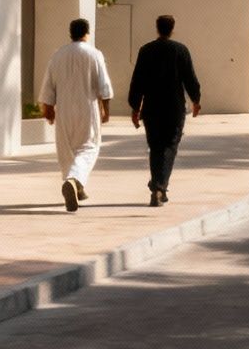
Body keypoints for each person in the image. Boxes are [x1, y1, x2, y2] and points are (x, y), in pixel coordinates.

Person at [127, 14, 201, 208]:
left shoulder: (146, 50)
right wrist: (196, 100)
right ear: (172, 28)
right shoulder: (180, 50)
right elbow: (190, 78)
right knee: (169, 147)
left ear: (157, 28)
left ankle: (157, 185)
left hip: (152, 108)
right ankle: (159, 188)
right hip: (174, 108)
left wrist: (135, 107)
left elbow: (138, 81)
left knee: (155, 147)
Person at [40, 18, 113, 213]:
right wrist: (105, 108)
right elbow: (103, 84)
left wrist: (48, 108)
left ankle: (75, 185)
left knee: (66, 150)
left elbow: (49, 85)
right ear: (87, 33)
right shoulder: (94, 54)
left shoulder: (58, 55)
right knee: (88, 148)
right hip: (87, 108)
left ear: (70, 33)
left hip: (63, 109)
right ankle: (74, 180)